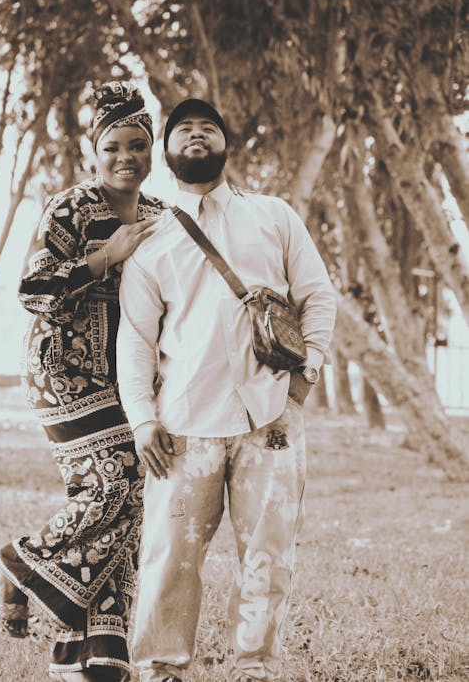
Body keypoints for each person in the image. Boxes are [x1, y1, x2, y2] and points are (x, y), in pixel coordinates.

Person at [116, 98, 337, 682]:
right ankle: (160, 669)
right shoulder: (150, 239)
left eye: (206, 128)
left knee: (268, 555)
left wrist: (305, 377)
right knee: (169, 560)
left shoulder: (273, 216)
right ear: (166, 153)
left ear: (225, 146)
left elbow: (318, 294)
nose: (194, 135)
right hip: (184, 425)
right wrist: (142, 419)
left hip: (272, 420)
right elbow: (136, 339)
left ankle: (255, 669)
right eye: (182, 129)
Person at [0, 81, 166, 682]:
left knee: (129, 505)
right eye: (113, 146)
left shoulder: (161, 217)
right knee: (122, 479)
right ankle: (20, 560)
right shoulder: (69, 208)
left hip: (130, 379)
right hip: (62, 372)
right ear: (95, 153)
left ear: (152, 151)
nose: (126, 158)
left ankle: (93, 659)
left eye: (138, 145)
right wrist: (106, 257)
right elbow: (31, 290)